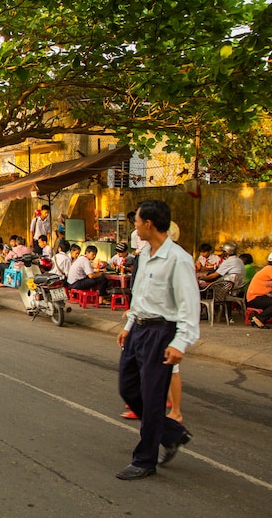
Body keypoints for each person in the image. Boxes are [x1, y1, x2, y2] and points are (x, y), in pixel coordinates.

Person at [115, 199, 199, 480]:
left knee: (152, 397)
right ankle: (172, 432)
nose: (135, 227)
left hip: (161, 332)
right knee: (128, 388)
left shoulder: (178, 259)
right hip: (138, 329)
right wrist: (129, 324)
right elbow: (139, 295)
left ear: (148, 224)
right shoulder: (145, 254)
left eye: (137, 221)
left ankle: (145, 459)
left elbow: (190, 305)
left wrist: (180, 342)